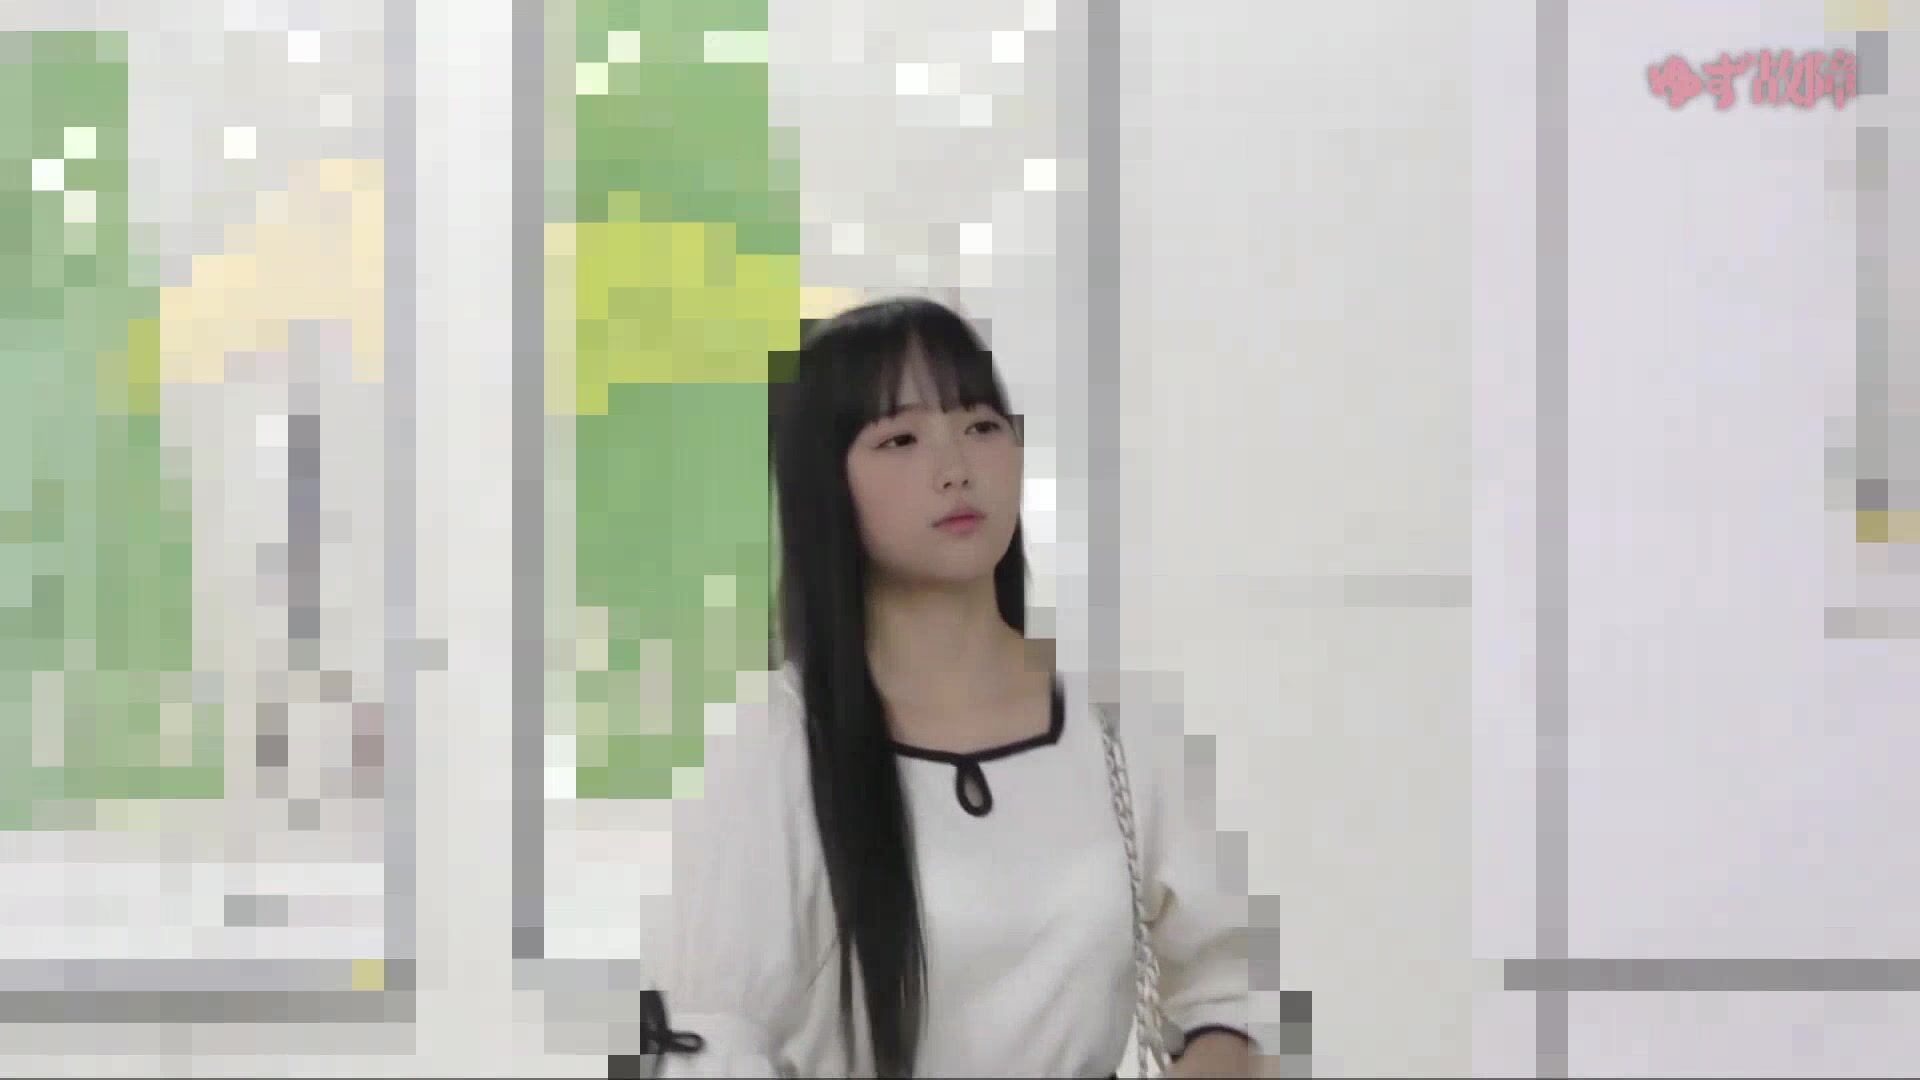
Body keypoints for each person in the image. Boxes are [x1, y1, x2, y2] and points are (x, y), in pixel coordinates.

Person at [639, 296, 1254, 1078]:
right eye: (899, 439)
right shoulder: (775, 744)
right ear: (824, 483)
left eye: (981, 426)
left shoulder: (1115, 725)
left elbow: (1228, 991)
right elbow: (711, 1042)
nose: (956, 468)